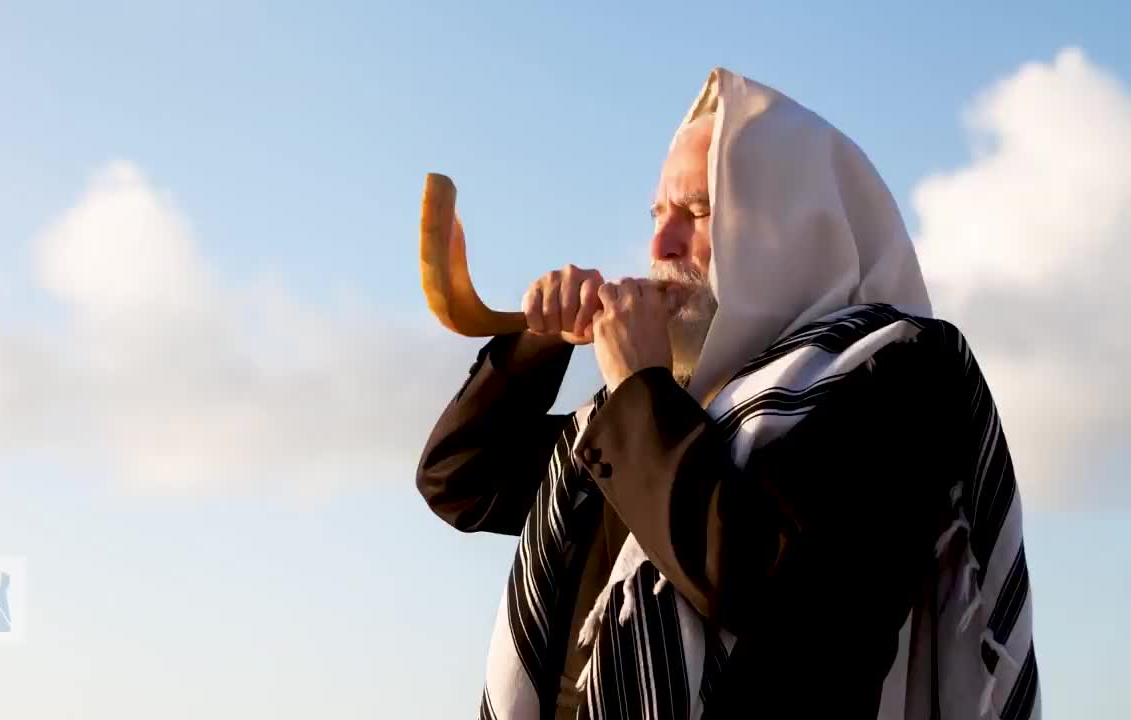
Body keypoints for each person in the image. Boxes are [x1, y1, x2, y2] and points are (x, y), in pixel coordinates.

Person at [416, 68, 1039, 720]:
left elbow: (764, 585)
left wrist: (637, 387)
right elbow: (462, 480)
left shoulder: (899, 373)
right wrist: (540, 344)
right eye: (657, 214)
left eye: (697, 212)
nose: (659, 245)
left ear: (791, 228)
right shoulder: (671, 413)